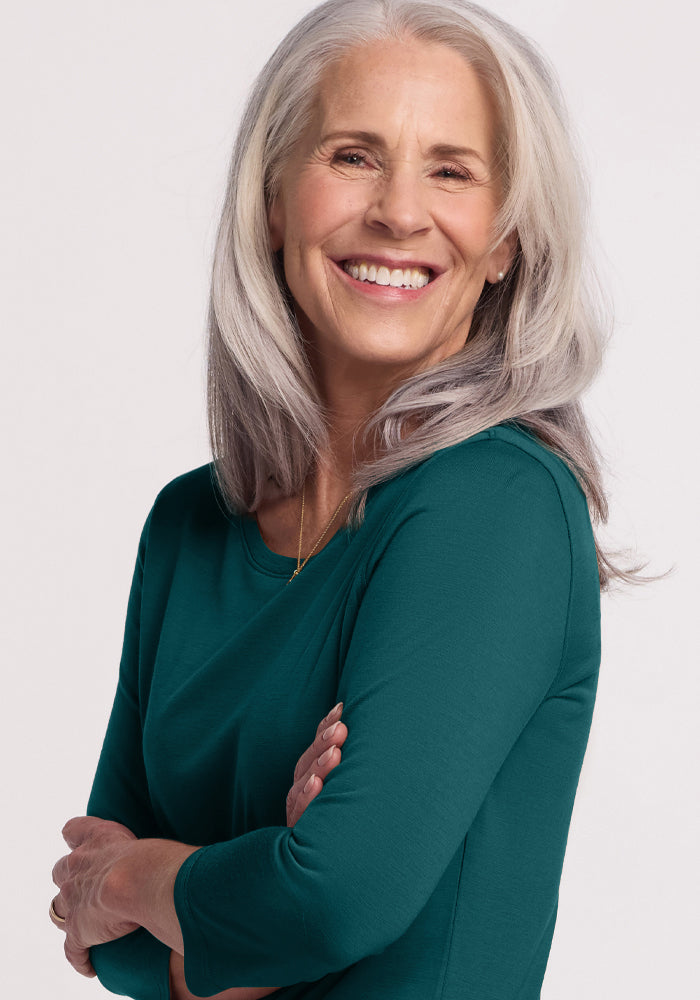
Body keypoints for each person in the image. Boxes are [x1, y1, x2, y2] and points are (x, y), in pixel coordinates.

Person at [49, 1, 655, 997]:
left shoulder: (493, 503)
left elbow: (330, 897)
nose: (400, 212)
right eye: (353, 156)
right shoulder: (188, 527)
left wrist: (149, 873)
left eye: (450, 169)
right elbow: (101, 941)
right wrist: (240, 906)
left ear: (504, 240)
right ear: (274, 200)